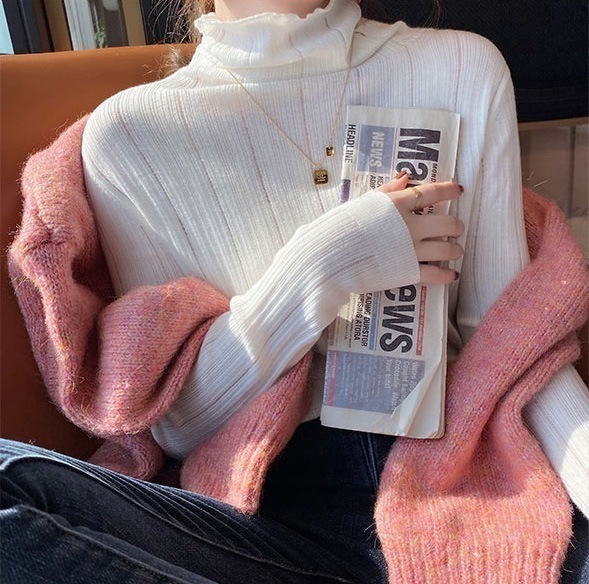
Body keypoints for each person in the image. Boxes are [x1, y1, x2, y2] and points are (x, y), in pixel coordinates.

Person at [2, 0, 588, 582]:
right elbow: (180, 426)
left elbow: (515, 351)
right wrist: (327, 264)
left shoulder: (460, 68)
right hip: (263, 521)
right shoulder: (131, 136)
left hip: (466, 484)